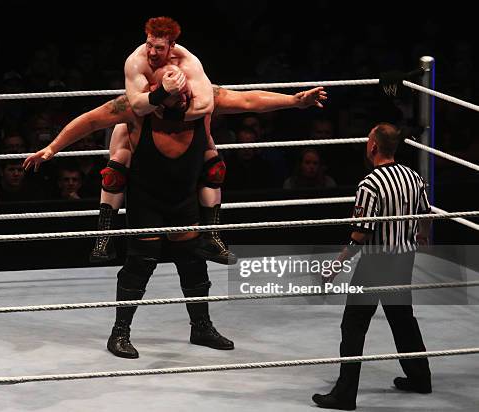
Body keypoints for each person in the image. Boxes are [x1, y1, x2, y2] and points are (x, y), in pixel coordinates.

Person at [25, 65, 326, 359]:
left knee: (193, 261)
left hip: (183, 197)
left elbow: (248, 100)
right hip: (147, 199)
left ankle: (201, 327)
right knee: (140, 264)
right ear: (156, 93)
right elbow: (90, 121)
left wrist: (294, 101)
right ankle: (120, 332)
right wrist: (52, 148)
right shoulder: (135, 109)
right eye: (174, 93)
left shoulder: (202, 101)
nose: (183, 97)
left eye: (184, 90)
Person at [312, 123, 432, 410]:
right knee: (403, 320)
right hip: (404, 258)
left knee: (353, 325)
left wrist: (335, 267)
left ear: (374, 146)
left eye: (368, 140)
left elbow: (361, 234)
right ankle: (420, 378)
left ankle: (344, 394)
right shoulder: (413, 176)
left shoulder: (370, 183)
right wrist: (421, 235)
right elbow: (426, 213)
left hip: (377, 262)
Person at [122, 16, 229, 264]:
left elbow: (206, 104)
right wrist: (162, 93)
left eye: (159, 47)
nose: (151, 52)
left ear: (172, 46)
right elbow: (137, 106)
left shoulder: (189, 63)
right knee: (118, 156)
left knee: (214, 164)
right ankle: (102, 238)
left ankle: (213, 234)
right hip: (140, 127)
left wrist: (169, 111)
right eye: (149, 44)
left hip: (182, 128)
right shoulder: (136, 62)